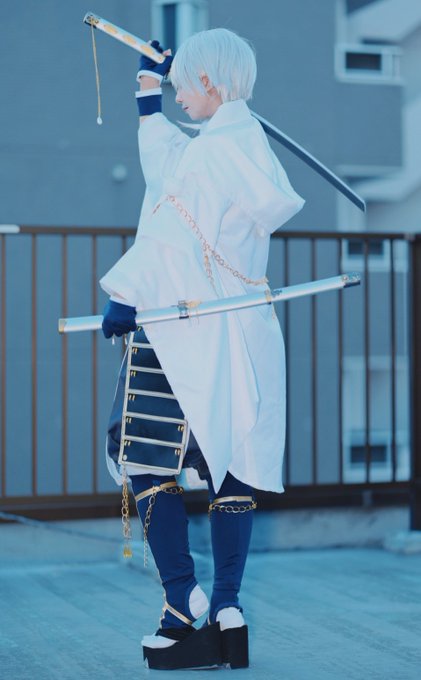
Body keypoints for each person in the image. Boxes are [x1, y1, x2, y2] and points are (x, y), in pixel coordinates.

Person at [100, 28, 304, 670]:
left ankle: (182, 599)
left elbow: (171, 226)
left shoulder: (216, 151)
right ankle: (227, 609)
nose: (179, 94)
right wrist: (147, 89)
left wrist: (126, 292)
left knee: (142, 452)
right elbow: (172, 169)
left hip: (187, 329)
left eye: (184, 83)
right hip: (244, 326)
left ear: (210, 81)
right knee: (231, 463)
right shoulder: (240, 145)